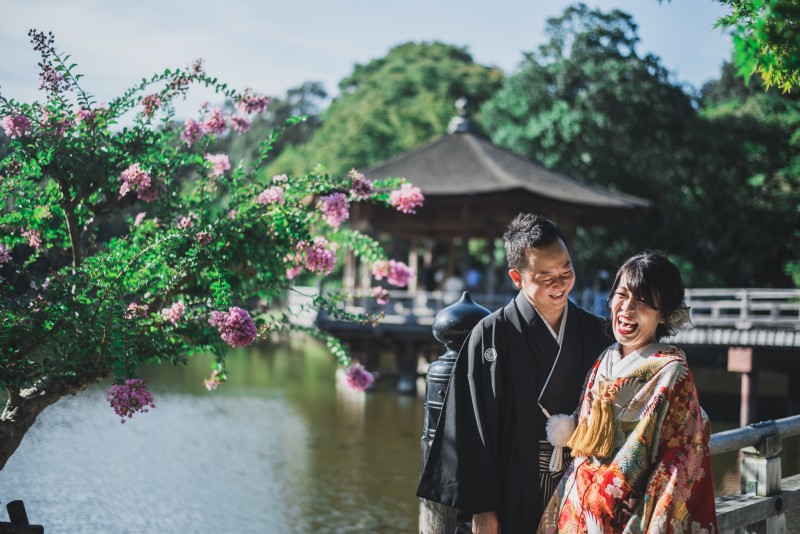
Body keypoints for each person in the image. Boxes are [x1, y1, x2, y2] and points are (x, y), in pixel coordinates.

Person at [417, 213, 613, 533]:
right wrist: (483, 511)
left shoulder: (598, 334)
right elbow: (471, 432)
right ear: (517, 277)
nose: (560, 283)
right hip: (512, 488)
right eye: (545, 275)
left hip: (583, 486)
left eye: (566, 270)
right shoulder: (489, 335)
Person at [538, 251, 717, 533]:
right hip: (577, 512)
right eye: (621, 295)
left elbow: (679, 463)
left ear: (665, 315)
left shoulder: (671, 372)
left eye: (643, 301)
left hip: (625, 519)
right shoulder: (605, 358)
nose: (627, 307)